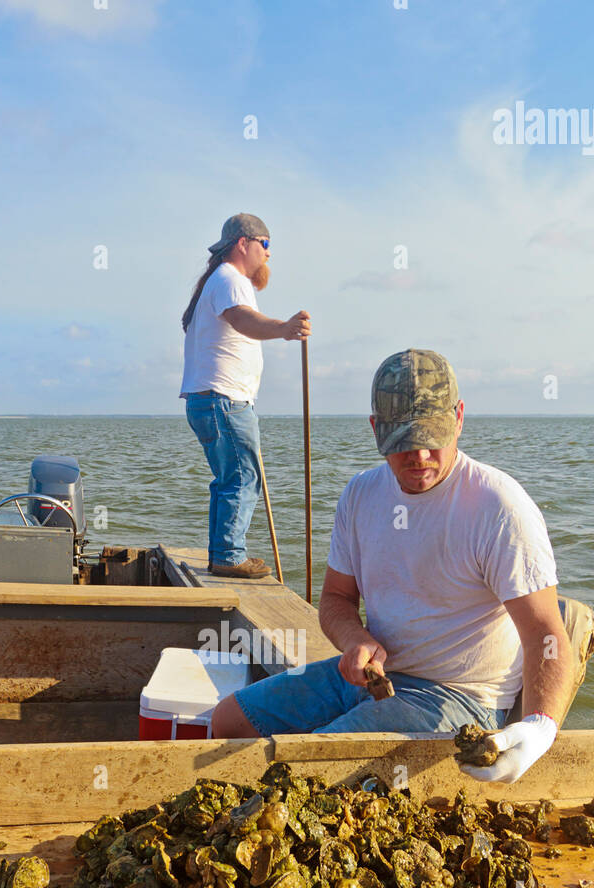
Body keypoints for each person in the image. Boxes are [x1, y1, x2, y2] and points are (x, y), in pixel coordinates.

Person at [211, 348, 574, 784]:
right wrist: (354, 639)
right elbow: (337, 599)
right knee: (228, 722)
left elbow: (546, 634)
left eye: (432, 436)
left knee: (303, 776)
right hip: (372, 677)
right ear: (374, 429)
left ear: (459, 417)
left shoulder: (499, 508)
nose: (419, 454)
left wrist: (539, 727)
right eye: (403, 439)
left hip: (459, 695)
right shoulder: (361, 495)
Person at [181, 213, 311, 579]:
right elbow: (243, 320)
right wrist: (285, 329)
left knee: (229, 479)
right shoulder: (230, 279)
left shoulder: (220, 280)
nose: (269, 254)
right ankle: (227, 556)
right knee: (242, 478)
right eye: (265, 245)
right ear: (244, 243)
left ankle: (222, 552)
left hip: (210, 399)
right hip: (224, 400)